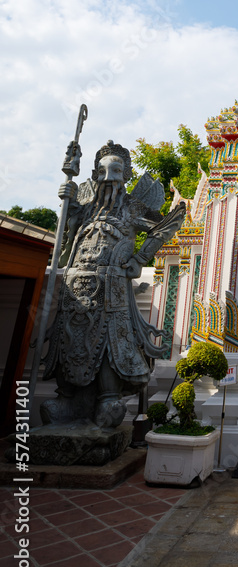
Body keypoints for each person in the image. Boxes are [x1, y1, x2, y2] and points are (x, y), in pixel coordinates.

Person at [42, 140, 186, 429]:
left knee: (111, 343)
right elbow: (66, 237)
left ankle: (108, 397)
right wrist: (67, 203)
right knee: (69, 340)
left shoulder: (132, 208)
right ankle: (67, 398)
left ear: (126, 174)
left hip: (112, 289)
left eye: (116, 171)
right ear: (95, 174)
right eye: (102, 171)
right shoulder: (86, 209)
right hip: (75, 287)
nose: (108, 177)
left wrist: (140, 258)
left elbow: (167, 224)